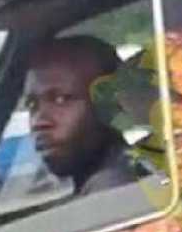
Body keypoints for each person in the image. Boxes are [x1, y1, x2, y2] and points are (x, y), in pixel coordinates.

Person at [23, 36, 136, 197]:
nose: (38, 122)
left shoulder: (112, 190)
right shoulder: (122, 171)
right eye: (32, 105)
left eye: (61, 99)